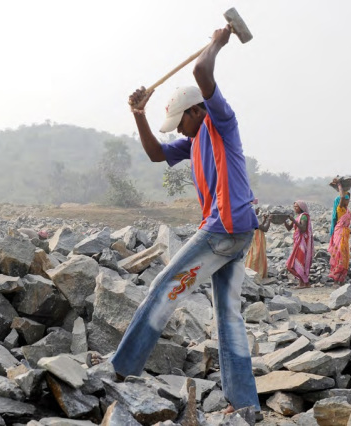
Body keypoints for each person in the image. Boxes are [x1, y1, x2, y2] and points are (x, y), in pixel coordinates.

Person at [89, 24, 262, 420]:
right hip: (237, 234)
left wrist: (219, 40)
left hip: (223, 228)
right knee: (228, 315)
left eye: (181, 122)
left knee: (164, 285)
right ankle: (246, 405)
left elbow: (203, 74)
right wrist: (139, 114)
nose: (179, 130)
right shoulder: (194, 139)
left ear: (197, 111)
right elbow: (154, 154)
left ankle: (121, 368)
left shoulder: (220, 124)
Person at [284, 201, 313, 288]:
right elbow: (289, 228)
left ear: (301, 207)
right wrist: (284, 221)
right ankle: (304, 282)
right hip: (297, 241)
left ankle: (303, 282)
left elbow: (303, 229)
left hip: (303, 242)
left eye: (296, 207)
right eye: (294, 206)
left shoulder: (304, 216)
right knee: (294, 262)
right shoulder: (297, 217)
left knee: (300, 260)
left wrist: (293, 221)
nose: (295, 208)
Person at [328, 183, 351, 286]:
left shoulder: (347, 210)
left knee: (345, 256)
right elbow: (341, 196)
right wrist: (340, 186)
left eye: (348, 199)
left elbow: (347, 195)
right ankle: (335, 280)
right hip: (340, 233)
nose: (347, 201)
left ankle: (341, 278)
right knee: (339, 255)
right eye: (346, 199)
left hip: (345, 234)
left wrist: (346, 190)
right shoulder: (340, 209)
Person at [245, 205, 270, 279]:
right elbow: (265, 229)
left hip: (256, 238)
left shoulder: (251, 218)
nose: (258, 210)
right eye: (257, 209)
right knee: (256, 255)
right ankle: (256, 272)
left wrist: (265, 220)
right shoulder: (254, 219)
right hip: (257, 239)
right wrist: (269, 220)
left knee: (255, 254)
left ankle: (252, 271)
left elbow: (260, 227)